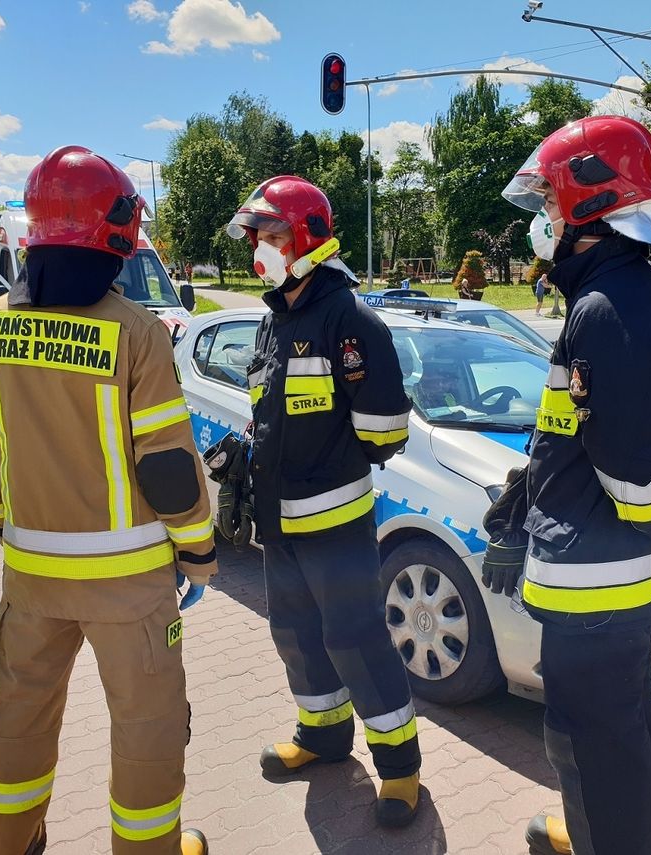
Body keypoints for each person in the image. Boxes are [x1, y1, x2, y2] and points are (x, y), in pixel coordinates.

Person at [0, 145, 215, 855]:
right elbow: (167, 467)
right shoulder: (135, 332)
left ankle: (5, 845)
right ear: (115, 236)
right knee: (147, 730)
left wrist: (11, 529)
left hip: (31, 578)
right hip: (129, 588)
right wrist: (197, 552)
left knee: (19, 721)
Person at [490, 116, 651, 855]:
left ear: (590, 205)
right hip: (620, 580)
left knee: (589, 742)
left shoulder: (604, 310)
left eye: (550, 207)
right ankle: (602, 828)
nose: (544, 224)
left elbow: (628, 465)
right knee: (625, 730)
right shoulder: (640, 298)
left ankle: (606, 836)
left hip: (595, 585)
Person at [226, 175, 423, 828]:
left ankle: (400, 769)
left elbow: (386, 428)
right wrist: (249, 450)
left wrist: (324, 460)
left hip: (337, 526)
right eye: (256, 239)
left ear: (307, 236)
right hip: (280, 526)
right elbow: (271, 412)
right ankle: (324, 735)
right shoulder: (271, 324)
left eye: (272, 237)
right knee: (297, 636)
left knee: (356, 640)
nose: (260, 250)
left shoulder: (350, 319)